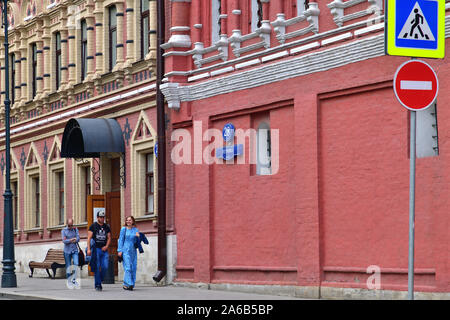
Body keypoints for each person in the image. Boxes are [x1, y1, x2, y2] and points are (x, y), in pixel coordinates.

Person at [87, 211, 111, 291]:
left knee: (105, 266)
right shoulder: (93, 226)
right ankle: (98, 285)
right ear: (97, 218)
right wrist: (89, 249)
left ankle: (100, 280)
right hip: (96, 249)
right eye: (100, 217)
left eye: (103, 217)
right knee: (97, 267)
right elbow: (89, 238)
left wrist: (106, 246)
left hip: (104, 250)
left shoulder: (106, 226)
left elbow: (109, 238)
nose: (102, 218)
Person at [118, 216, 139, 290]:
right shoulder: (124, 229)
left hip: (133, 251)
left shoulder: (135, 229)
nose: (128, 221)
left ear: (133, 221)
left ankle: (127, 284)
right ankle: (129, 283)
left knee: (133, 267)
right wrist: (119, 250)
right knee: (127, 267)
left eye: (130, 220)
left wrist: (138, 237)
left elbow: (138, 241)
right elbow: (120, 240)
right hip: (125, 250)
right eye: (127, 220)